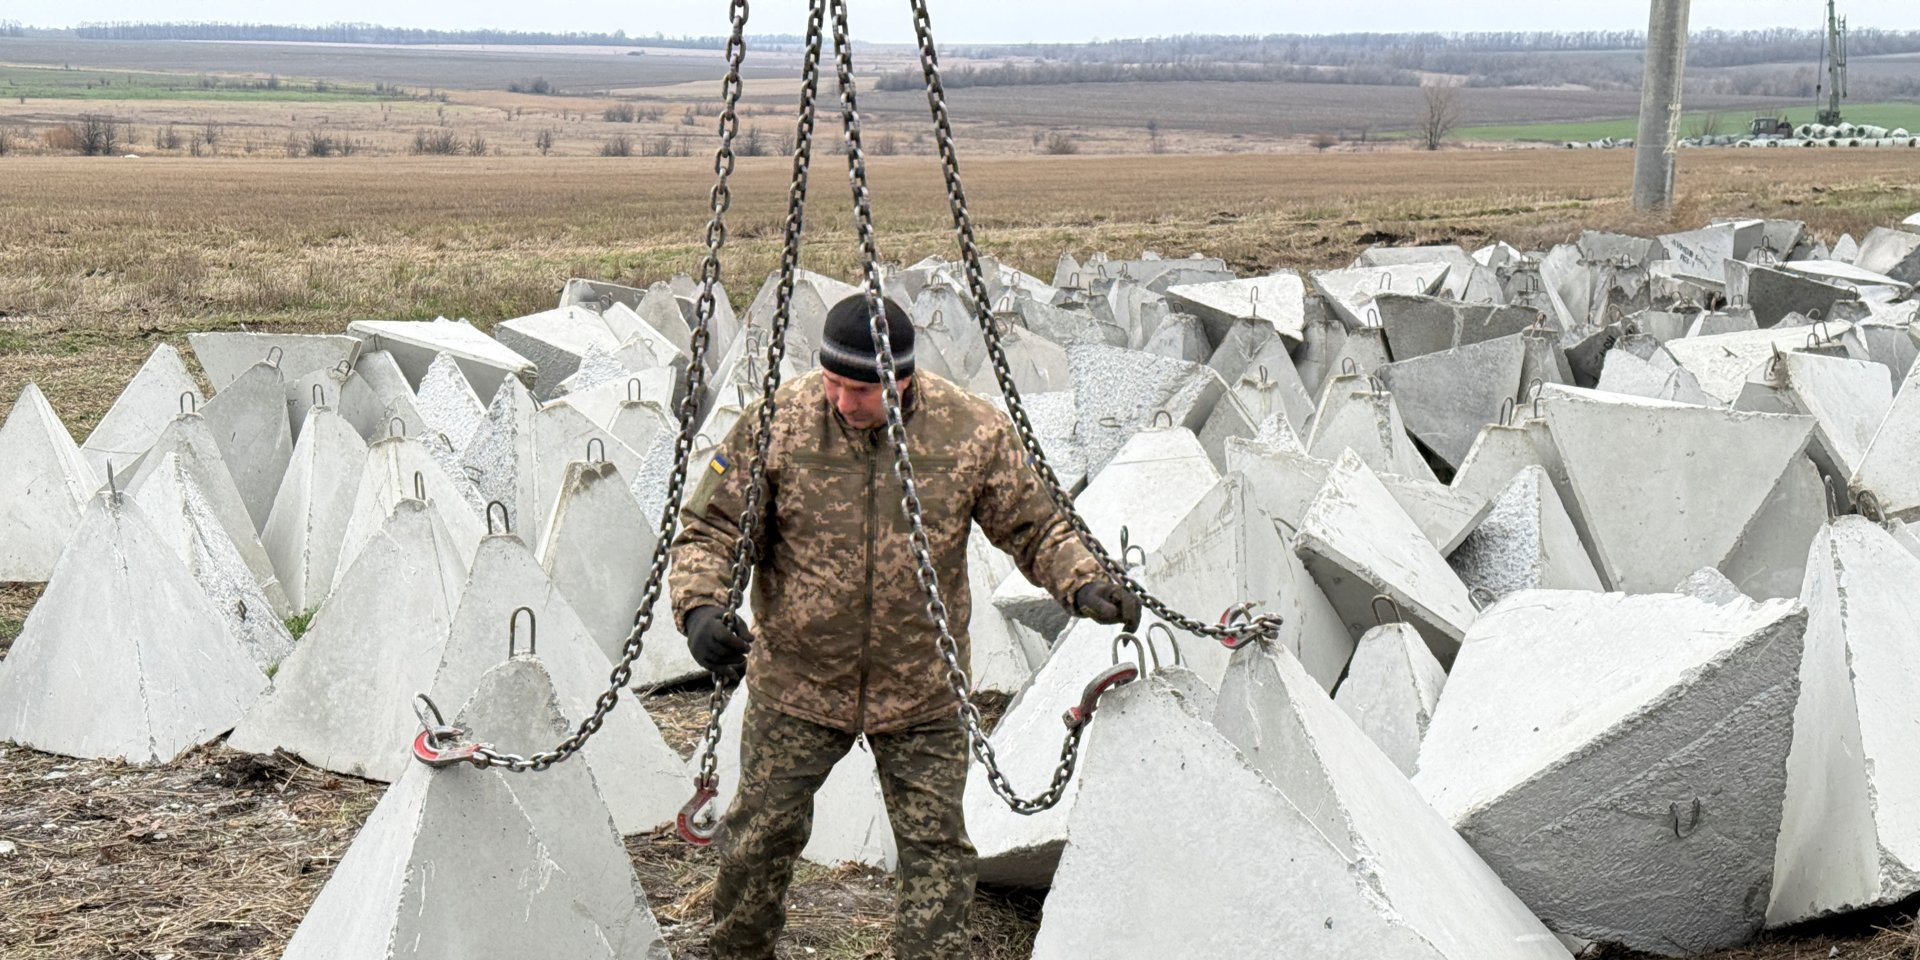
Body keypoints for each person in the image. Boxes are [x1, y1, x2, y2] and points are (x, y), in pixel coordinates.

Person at [670, 292, 1139, 960]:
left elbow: (1037, 525)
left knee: (937, 856)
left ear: (902, 380)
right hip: (799, 683)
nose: (841, 401)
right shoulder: (778, 423)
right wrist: (700, 609)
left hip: (922, 690)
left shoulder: (969, 430)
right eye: (831, 382)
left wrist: (1084, 580)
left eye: (860, 390)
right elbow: (713, 528)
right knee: (757, 839)